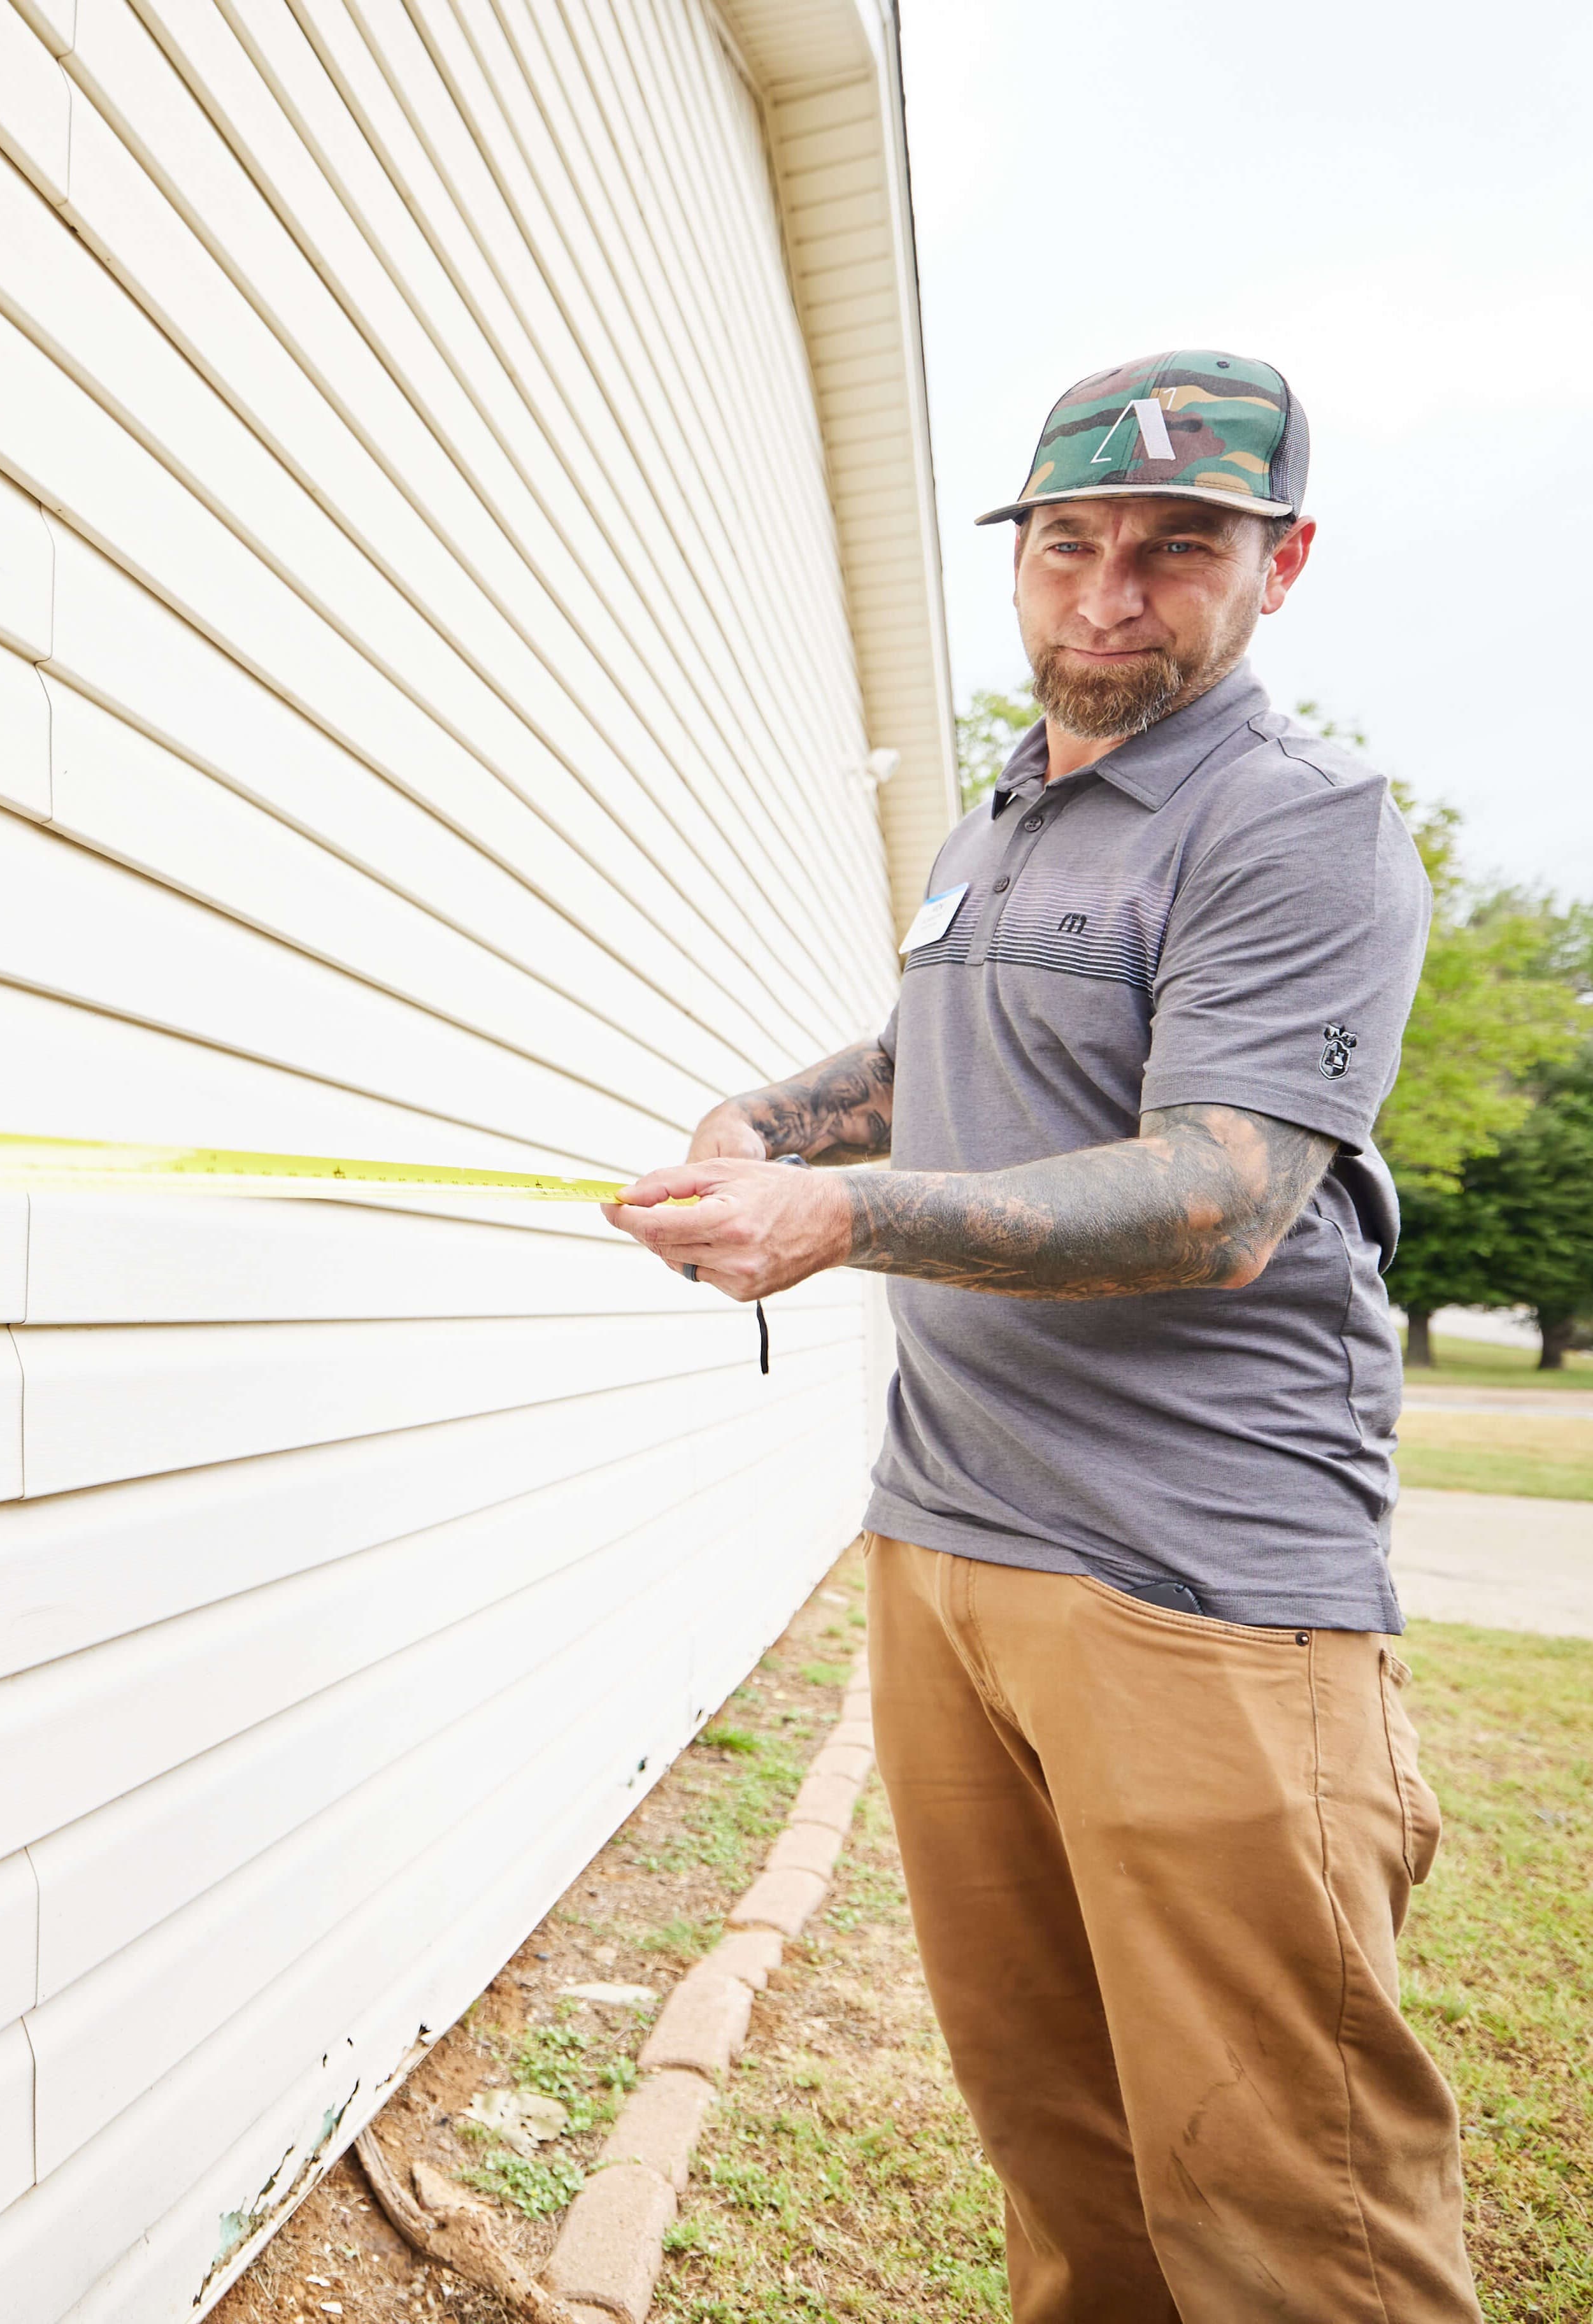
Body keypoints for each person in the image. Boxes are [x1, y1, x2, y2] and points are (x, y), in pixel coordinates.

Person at [604, 350, 1480, 2321]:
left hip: (1197, 1591)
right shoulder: (1001, 815)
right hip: (951, 1548)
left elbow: (1225, 1193)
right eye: (1068, 545)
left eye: (1176, 550)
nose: (1108, 594)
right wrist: (765, 1123)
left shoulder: (1295, 823)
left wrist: (837, 1214)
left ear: (1284, 563)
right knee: (1061, 2141)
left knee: (1285, 2197)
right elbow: (930, 1062)